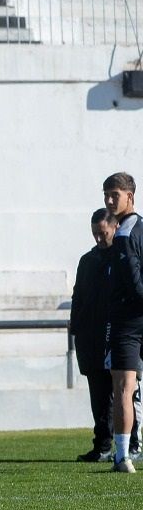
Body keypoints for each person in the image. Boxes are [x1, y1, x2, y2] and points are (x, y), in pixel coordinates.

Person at [70, 208, 141, 462]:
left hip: (119, 333)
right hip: (91, 336)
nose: (99, 239)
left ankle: (132, 445)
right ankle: (102, 446)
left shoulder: (122, 257)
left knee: (125, 390)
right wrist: (75, 325)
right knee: (99, 395)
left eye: (103, 233)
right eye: (95, 234)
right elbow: (78, 296)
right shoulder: (87, 261)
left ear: (112, 228)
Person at [104, 172, 143, 473]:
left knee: (123, 386)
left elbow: (132, 281)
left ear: (130, 195)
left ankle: (122, 456)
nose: (108, 200)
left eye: (114, 194)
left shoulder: (123, 234)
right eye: (106, 194)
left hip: (128, 319)